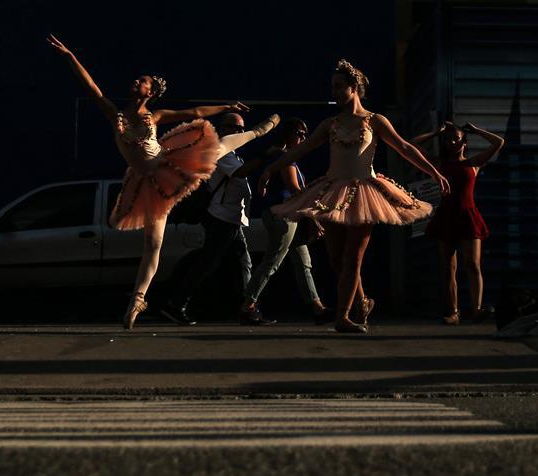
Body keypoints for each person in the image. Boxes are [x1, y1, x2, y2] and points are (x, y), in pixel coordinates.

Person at [47, 35, 278, 329]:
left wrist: (225, 106)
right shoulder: (115, 114)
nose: (136, 82)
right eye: (137, 79)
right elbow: (91, 87)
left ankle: (257, 132)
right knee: (152, 243)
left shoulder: (155, 117)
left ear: (152, 91)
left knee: (216, 148)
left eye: (142, 81)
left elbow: (195, 113)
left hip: (168, 168)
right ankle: (138, 300)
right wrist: (70, 56)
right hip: (146, 183)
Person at [259, 59, 450, 334]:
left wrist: (434, 171)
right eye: (332, 87)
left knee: (353, 259)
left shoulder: (375, 121)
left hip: (364, 193)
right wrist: (270, 169)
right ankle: (361, 302)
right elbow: (301, 150)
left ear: (354, 87)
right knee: (337, 260)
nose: (334, 92)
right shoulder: (330, 124)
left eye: (339, 87)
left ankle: (343, 317)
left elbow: (404, 147)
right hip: (333, 191)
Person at [161, 112, 279, 325]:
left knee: (239, 262)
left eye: (242, 129)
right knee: (210, 262)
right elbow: (241, 172)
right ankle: (177, 304)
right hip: (222, 218)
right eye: (235, 128)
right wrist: (266, 154)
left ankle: (246, 308)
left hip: (230, 218)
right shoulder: (221, 151)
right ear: (223, 129)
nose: (240, 132)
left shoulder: (230, 153)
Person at [241, 119, 333, 325]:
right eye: (299, 133)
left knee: (303, 263)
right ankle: (247, 306)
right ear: (287, 134)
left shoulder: (284, 157)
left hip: (290, 215)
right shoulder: (284, 158)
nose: (302, 138)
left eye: (305, 134)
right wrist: (313, 217)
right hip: (283, 216)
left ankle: (318, 308)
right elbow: (294, 190)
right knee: (273, 261)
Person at [413, 121, 504, 324]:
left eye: (456, 139)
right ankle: (454, 312)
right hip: (446, 217)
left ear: (465, 142)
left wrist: (476, 129)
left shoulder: (473, 163)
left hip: (468, 217)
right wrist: (435, 132)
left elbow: (499, 142)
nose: (452, 142)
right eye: (448, 140)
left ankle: (477, 310)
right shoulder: (439, 164)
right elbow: (412, 144)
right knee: (448, 268)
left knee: (473, 264)